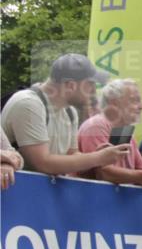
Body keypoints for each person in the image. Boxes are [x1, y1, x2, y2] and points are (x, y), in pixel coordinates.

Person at [1, 53, 129, 175]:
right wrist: (97, 158)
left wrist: (95, 157)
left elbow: (71, 156)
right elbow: (42, 164)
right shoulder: (29, 103)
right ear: (70, 85)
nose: (94, 90)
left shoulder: (69, 112)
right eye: (90, 84)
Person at [77, 79, 142, 190]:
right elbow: (105, 174)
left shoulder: (125, 133)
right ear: (114, 103)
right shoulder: (96, 126)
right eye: (135, 100)